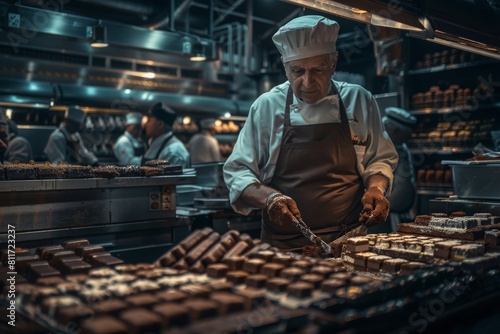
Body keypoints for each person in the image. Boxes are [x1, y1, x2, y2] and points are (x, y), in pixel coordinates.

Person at [223, 15, 398, 250]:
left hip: (350, 239)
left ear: (333, 63)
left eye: (318, 69)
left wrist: (377, 188)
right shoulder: (266, 107)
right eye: (297, 71)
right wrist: (271, 198)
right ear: (285, 67)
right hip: (285, 244)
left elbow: (380, 158)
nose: (307, 82)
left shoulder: (359, 100)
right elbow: (238, 172)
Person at [382, 107, 418, 231]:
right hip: (387, 214)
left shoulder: (400, 144)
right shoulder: (380, 147)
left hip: (402, 212)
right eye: (407, 135)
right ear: (396, 130)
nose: (410, 138)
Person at [142, 102, 190, 168]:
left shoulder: (173, 152)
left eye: (149, 121)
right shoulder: (154, 143)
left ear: (160, 124)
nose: (145, 125)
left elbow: (170, 178)